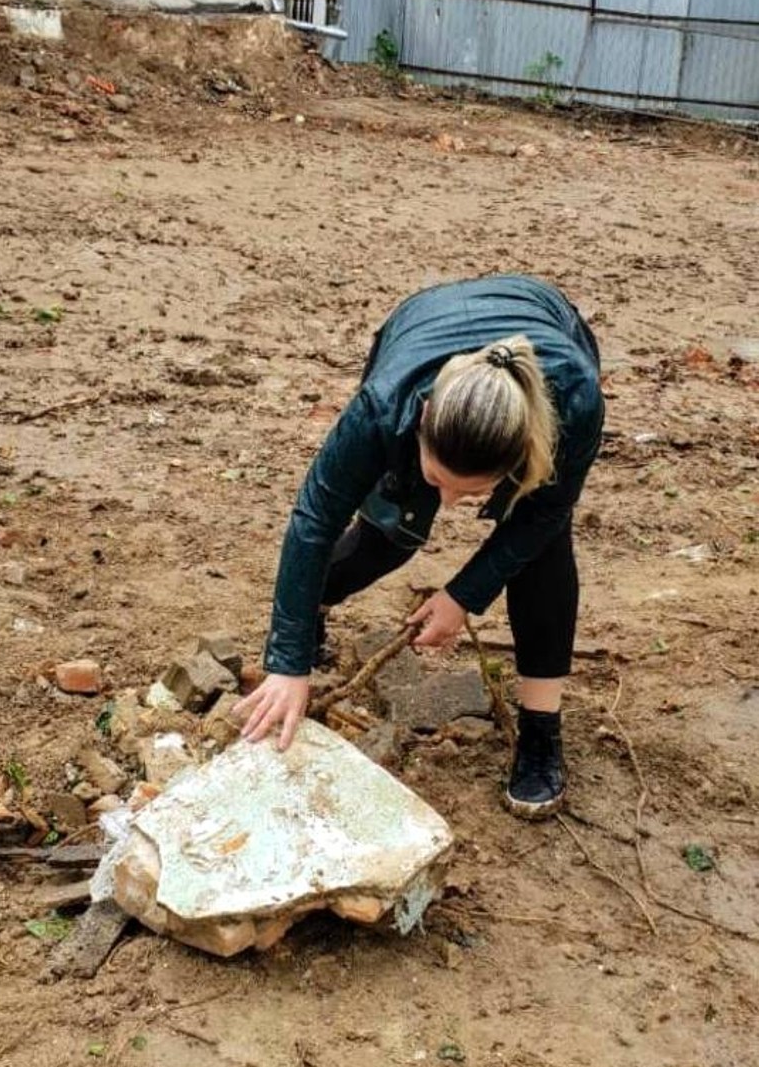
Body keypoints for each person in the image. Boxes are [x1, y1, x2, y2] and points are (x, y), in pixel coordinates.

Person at [233, 274, 604, 818]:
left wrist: (462, 595)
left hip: (548, 332)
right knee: (391, 532)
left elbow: (544, 514)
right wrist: (287, 665)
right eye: (439, 479)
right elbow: (315, 519)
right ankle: (313, 607)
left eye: (471, 491)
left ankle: (541, 731)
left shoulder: (575, 401)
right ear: (424, 419)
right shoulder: (385, 407)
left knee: (541, 547)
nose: (451, 503)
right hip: (421, 325)